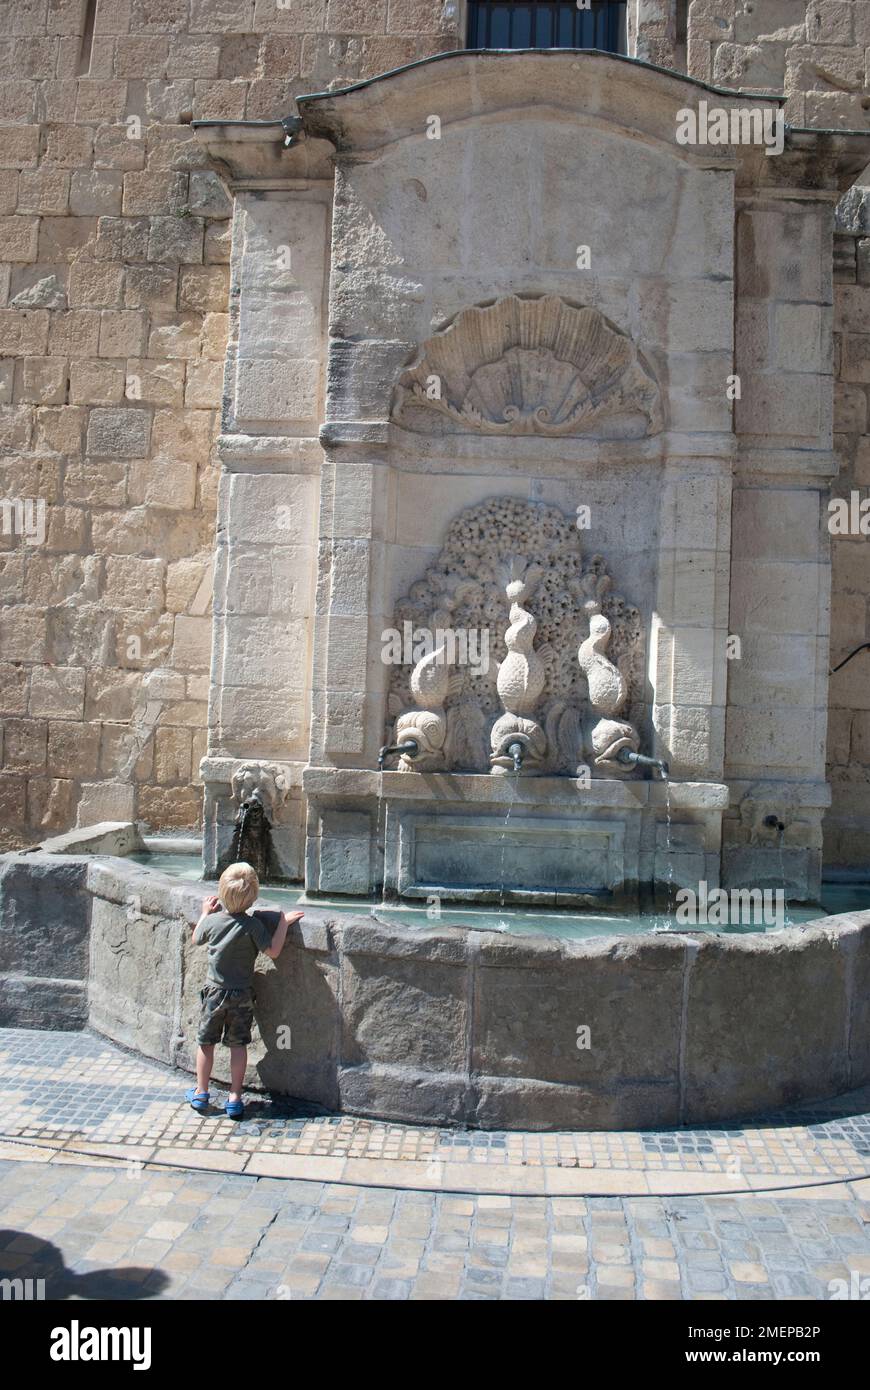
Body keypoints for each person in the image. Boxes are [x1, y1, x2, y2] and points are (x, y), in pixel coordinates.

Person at [186, 861, 303, 1119]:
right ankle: (235, 1098)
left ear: (222, 892)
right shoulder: (253, 926)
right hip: (241, 996)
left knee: (206, 1043)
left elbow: (196, 939)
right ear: (253, 898)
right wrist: (283, 922)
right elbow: (273, 951)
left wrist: (205, 911)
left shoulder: (214, 922)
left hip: (214, 993)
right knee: (238, 1046)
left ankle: (201, 1092)